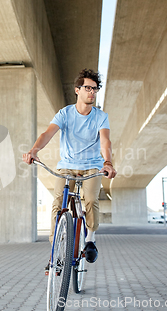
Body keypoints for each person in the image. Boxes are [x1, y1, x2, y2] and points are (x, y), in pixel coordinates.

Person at [22, 68, 117, 266]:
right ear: (77, 90)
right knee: (58, 203)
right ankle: (55, 249)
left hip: (92, 167)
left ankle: (90, 237)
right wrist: (34, 150)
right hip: (67, 166)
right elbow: (47, 134)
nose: (92, 92)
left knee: (90, 199)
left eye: (95, 89)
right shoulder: (65, 114)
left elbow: (105, 141)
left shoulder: (101, 116)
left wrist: (107, 162)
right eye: (88, 88)